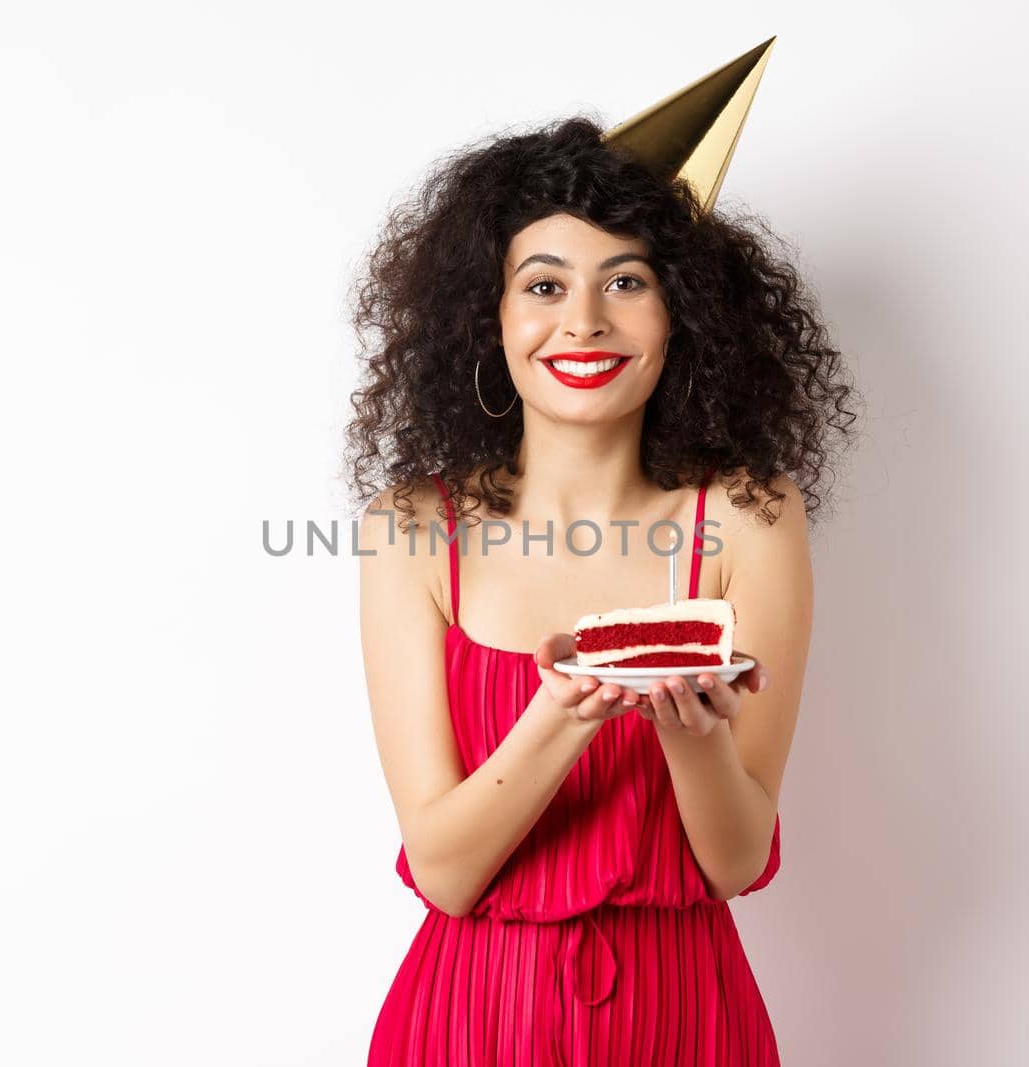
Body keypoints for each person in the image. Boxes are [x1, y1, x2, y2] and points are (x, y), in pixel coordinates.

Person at [346, 41, 859, 1066]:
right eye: (542, 284)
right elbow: (444, 871)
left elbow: (734, 858)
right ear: (486, 321)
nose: (582, 319)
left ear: (683, 315)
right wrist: (561, 711)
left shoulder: (750, 518)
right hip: (470, 1016)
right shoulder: (411, 531)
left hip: (686, 1012)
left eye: (625, 280)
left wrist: (691, 728)